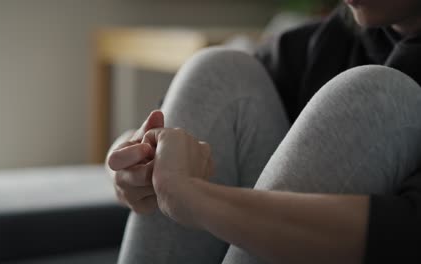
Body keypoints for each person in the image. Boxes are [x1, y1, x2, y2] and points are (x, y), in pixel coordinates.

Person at [106, 0, 421, 263]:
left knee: (377, 94)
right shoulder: (346, 33)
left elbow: (402, 236)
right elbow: (193, 113)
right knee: (221, 69)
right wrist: (132, 160)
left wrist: (193, 199)